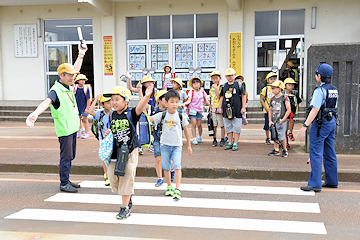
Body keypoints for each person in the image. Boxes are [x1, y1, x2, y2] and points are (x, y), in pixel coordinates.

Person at [25, 41, 88, 193]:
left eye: (74, 75)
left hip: (72, 128)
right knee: (66, 157)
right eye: (70, 75)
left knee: (71, 156)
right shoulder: (56, 90)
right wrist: (35, 113)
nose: (73, 77)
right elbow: (47, 102)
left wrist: (81, 54)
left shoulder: (67, 86)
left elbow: (76, 68)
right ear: (61, 75)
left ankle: (67, 180)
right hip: (65, 130)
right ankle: (64, 183)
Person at [103, 84, 154, 219]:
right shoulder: (112, 114)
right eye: (112, 100)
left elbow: (140, 107)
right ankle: (128, 196)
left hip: (130, 150)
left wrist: (146, 95)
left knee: (126, 176)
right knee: (112, 177)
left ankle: (125, 207)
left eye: (117, 99)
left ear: (126, 101)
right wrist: (107, 132)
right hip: (115, 152)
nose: (113, 102)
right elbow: (110, 129)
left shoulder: (131, 113)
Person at [297, 63, 339, 192]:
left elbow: (315, 109)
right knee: (329, 152)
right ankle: (332, 181)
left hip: (321, 124)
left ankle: (315, 183)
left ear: (319, 76)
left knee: (315, 152)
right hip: (332, 122)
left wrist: (305, 125)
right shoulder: (334, 89)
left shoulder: (319, 90)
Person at [149, 90, 192, 200]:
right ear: (166, 102)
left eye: (177, 102)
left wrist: (189, 145)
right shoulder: (162, 115)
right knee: (166, 167)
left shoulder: (181, 116)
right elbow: (150, 119)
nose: (175, 104)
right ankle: (169, 186)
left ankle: (177, 189)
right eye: (172, 102)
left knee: (177, 166)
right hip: (165, 145)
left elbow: (186, 131)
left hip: (177, 145)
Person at [127, 73, 157, 154]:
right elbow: (130, 88)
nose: (150, 83)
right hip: (143, 111)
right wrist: (129, 79)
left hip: (152, 111)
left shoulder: (156, 92)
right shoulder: (141, 90)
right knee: (141, 129)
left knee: (152, 129)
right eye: (148, 82)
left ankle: (152, 145)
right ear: (144, 84)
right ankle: (140, 147)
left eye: (151, 82)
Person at [219, 68, 246, 151]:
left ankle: (236, 142)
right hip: (226, 109)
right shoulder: (223, 86)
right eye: (228, 76)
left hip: (237, 109)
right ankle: (230, 142)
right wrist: (220, 107)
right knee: (228, 126)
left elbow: (243, 95)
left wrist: (243, 107)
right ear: (225, 76)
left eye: (232, 75)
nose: (230, 77)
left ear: (235, 76)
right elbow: (221, 97)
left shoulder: (239, 85)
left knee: (236, 127)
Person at [88, 94, 112, 186]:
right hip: (103, 139)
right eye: (107, 102)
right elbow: (90, 111)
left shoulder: (114, 112)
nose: (110, 104)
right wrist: (95, 100)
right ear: (102, 105)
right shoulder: (100, 113)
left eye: (110, 101)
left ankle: (112, 175)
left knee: (112, 157)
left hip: (113, 138)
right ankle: (106, 175)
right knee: (105, 158)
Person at [267, 80, 291, 158]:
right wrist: (270, 120)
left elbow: (288, 110)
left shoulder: (284, 98)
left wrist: (283, 119)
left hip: (281, 121)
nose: (272, 90)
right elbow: (270, 110)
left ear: (279, 88)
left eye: (274, 88)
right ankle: (276, 149)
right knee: (275, 135)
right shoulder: (272, 99)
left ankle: (284, 149)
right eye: (272, 88)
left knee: (282, 136)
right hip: (274, 120)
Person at [186, 77, 210, 145]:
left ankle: (199, 136)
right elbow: (189, 100)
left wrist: (210, 105)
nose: (196, 85)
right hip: (192, 109)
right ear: (192, 85)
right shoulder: (191, 92)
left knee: (199, 124)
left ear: (200, 84)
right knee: (193, 124)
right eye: (194, 83)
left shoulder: (202, 91)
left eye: (197, 83)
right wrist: (184, 104)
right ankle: (194, 138)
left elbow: (205, 100)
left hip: (200, 110)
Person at [151, 90, 168, 187]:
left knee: (168, 157)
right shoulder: (154, 110)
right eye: (165, 99)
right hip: (157, 138)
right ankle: (160, 178)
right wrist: (141, 91)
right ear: (159, 100)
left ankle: (171, 171)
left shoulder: (170, 111)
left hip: (168, 139)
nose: (167, 101)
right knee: (158, 158)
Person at [282, 78, 302, 149]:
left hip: (292, 112)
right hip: (284, 113)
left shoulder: (295, 93)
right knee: (284, 128)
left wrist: (296, 110)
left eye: (292, 85)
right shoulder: (282, 93)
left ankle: (290, 133)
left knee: (291, 121)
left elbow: (298, 102)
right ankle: (285, 143)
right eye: (289, 85)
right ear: (285, 85)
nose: (291, 86)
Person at [209, 71, 226, 147]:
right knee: (214, 125)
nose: (215, 80)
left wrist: (216, 88)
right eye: (213, 78)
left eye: (216, 78)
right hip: (213, 108)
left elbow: (219, 96)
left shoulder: (222, 87)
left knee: (222, 125)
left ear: (220, 78)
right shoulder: (211, 88)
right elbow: (211, 98)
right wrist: (210, 107)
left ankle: (222, 139)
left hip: (219, 108)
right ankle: (214, 139)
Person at [260, 72, 276, 145]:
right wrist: (266, 108)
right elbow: (262, 99)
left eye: (274, 79)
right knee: (267, 125)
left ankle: (276, 137)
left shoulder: (277, 88)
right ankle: (267, 137)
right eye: (271, 79)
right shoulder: (265, 89)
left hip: (276, 111)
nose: (273, 80)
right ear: (268, 80)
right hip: (267, 111)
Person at [73, 74, 91, 139]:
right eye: (81, 80)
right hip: (76, 107)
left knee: (85, 119)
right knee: (78, 120)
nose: (83, 81)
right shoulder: (75, 88)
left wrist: (87, 108)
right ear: (77, 81)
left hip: (84, 107)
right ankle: (78, 132)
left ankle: (86, 133)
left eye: (84, 80)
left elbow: (88, 99)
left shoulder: (86, 88)